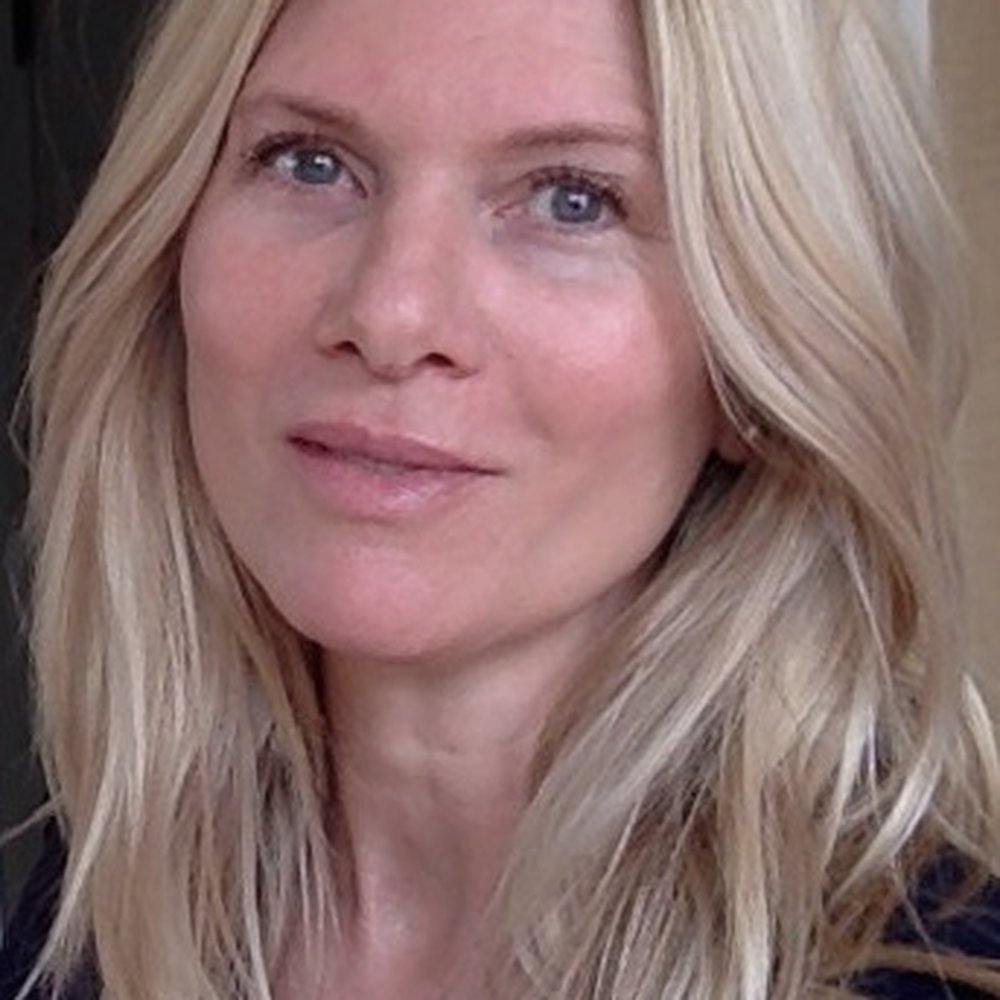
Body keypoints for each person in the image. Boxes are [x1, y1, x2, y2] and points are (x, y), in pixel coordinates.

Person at [3, 0, 999, 997]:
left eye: (573, 200)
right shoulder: (96, 913)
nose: (391, 315)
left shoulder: (931, 969)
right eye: (309, 162)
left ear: (753, 366)